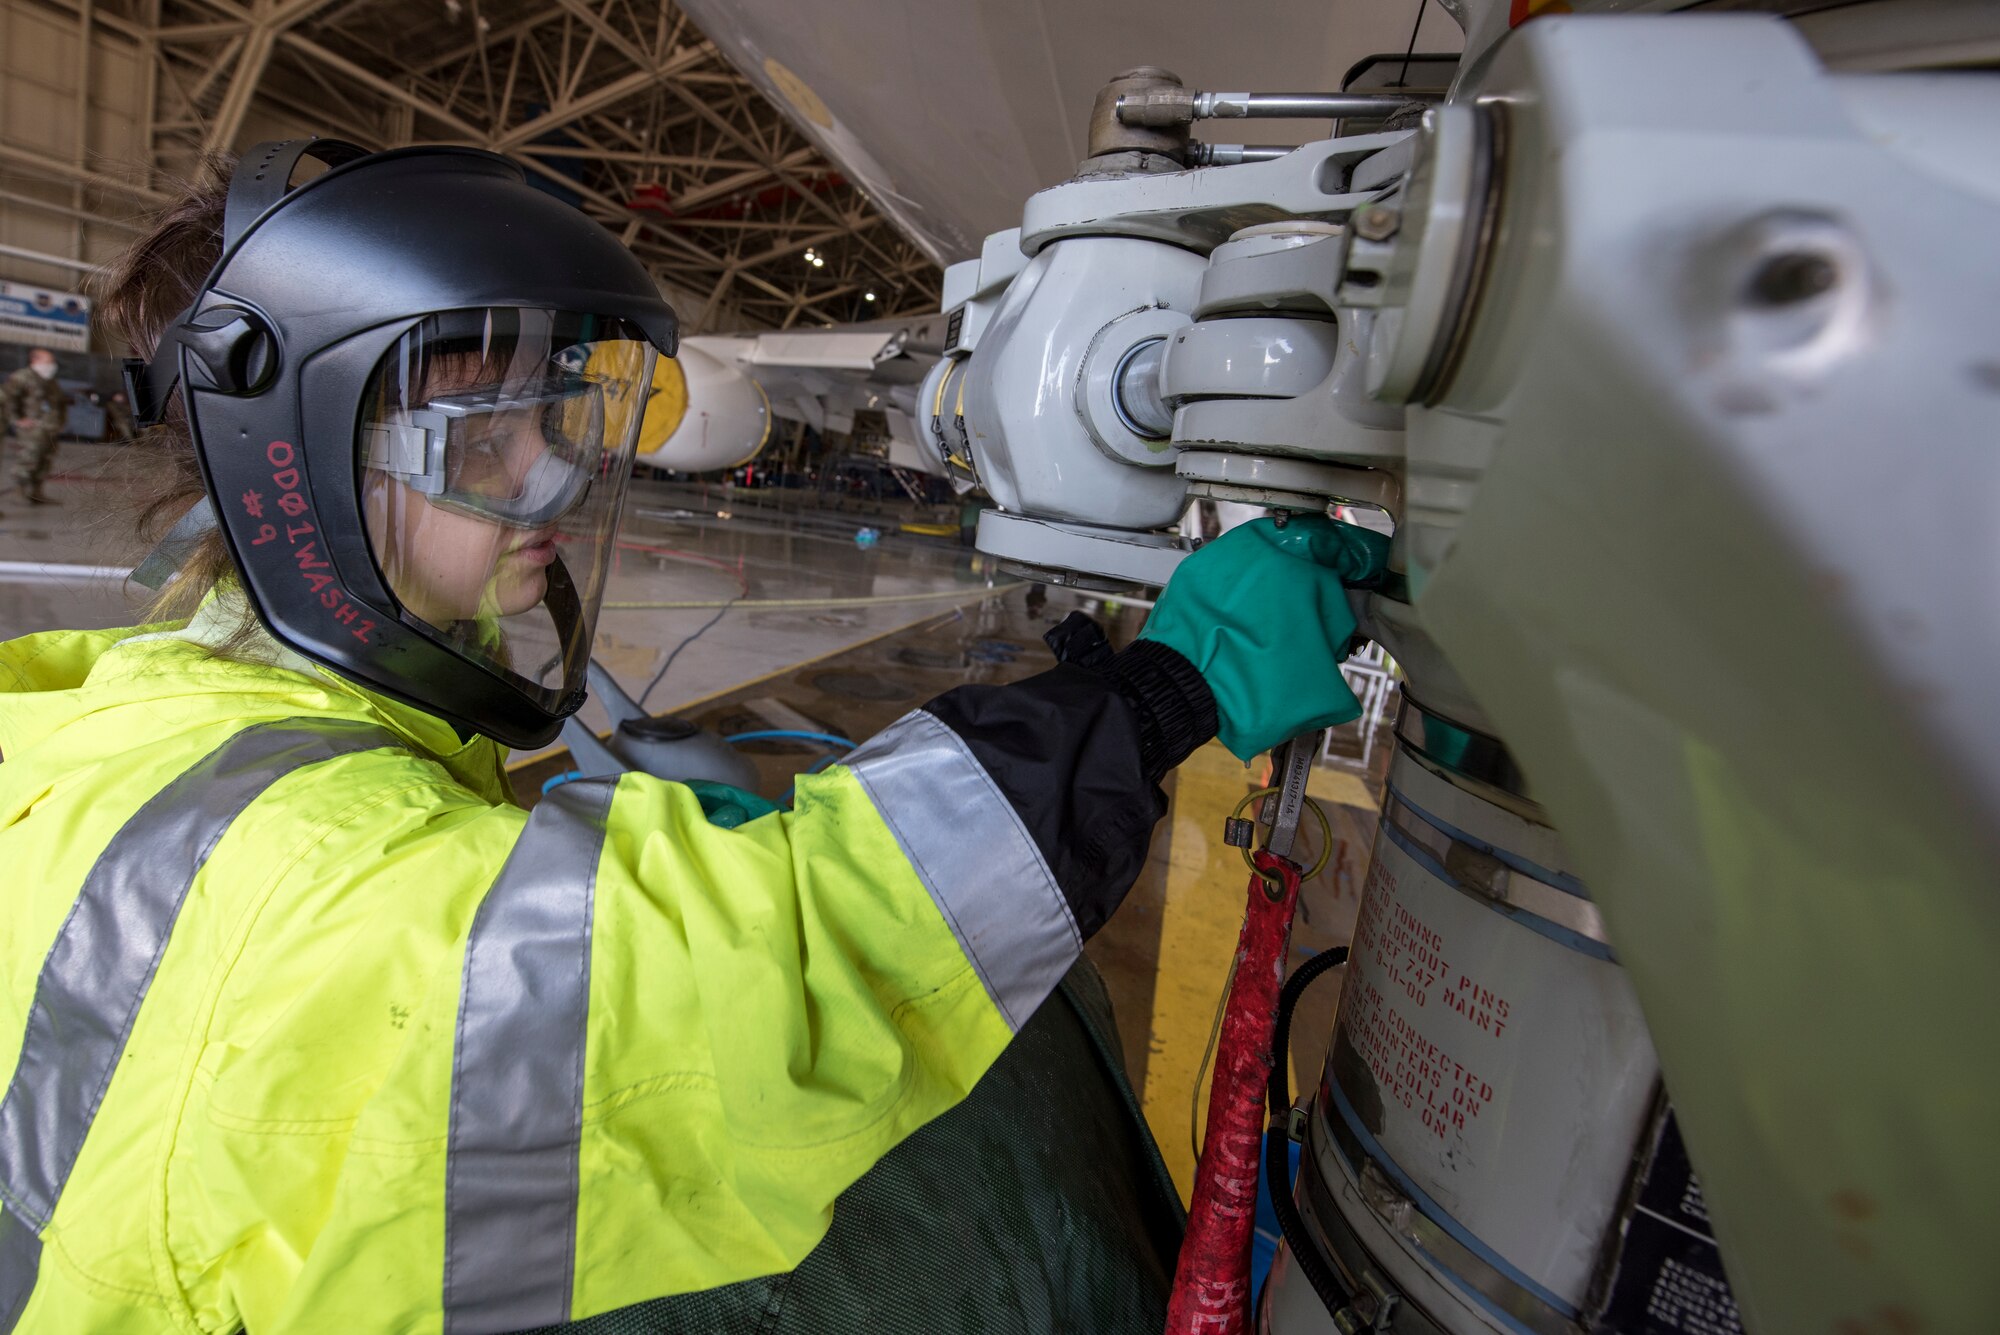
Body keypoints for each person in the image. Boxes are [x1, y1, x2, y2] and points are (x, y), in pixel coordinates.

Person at [0, 140, 1386, 1333]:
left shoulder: (116, 715)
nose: (551, 472)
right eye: (485, 438)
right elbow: (776, 973)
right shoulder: (299, 889)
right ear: (291, 455)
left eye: (556, 419)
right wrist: (1161, 696)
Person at [0, 346, 69, 505]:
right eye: (48, 361)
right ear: (35, 360)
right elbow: (9, 399)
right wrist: (17, 419)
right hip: (32, 429)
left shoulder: (50, 381)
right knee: (28, 459)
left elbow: (60, 404)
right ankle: (20, 493)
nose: (52, 365)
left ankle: (36, 493)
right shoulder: (21, 377)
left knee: (44, 460)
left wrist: (61, 422)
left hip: (50, 428)